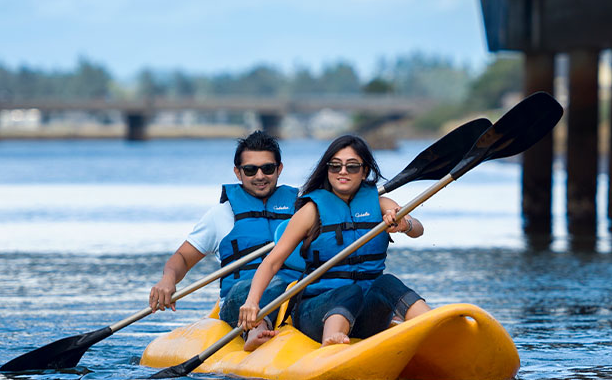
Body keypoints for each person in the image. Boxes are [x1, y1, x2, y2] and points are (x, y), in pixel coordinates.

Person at [238, 134, 430, 346]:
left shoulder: (381, 203)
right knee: (349, 291)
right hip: (317, 311)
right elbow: (272, 262)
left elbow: (417, 229)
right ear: (327, 170)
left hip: (366, 312)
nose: (343, 172)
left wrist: (405, 224)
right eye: (335, 166)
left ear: (365, 170)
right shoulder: (311, 211)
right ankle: (332, 341)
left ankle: (434, 324)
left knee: (387, 282)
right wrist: (252, 302)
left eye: (352, 166)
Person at [148, 130, 303, 351]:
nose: (260, 176)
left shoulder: (301, 210)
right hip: (239, 302)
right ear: (238, 173)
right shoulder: (220, 215)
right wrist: (168, 279)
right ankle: (255, 328)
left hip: (293, 294)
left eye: (267, 168)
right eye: (250, 170)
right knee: (270, 284)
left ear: (279, 169)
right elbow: (182, 257)